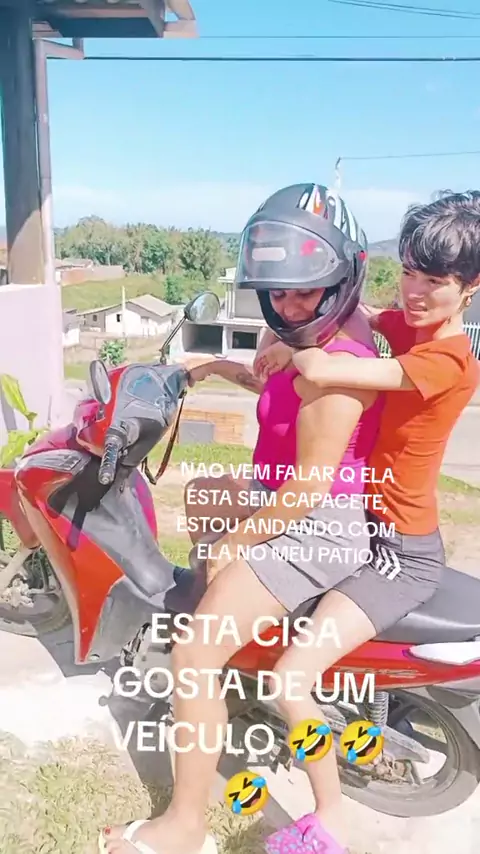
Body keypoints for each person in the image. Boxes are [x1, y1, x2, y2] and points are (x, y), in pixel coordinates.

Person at [99, 183, 385, 854]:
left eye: (305, 293)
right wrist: (210, 367)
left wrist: (237, 539)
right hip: (278, 496)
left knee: (194, 652)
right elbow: (271, 383)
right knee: (204, 516)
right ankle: (228, 673)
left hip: (315, 523)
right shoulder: (311, 335)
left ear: (342, 278)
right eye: (277, 294)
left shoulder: (340, 368)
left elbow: (310, 488)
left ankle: (183, 826)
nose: (289, 307)